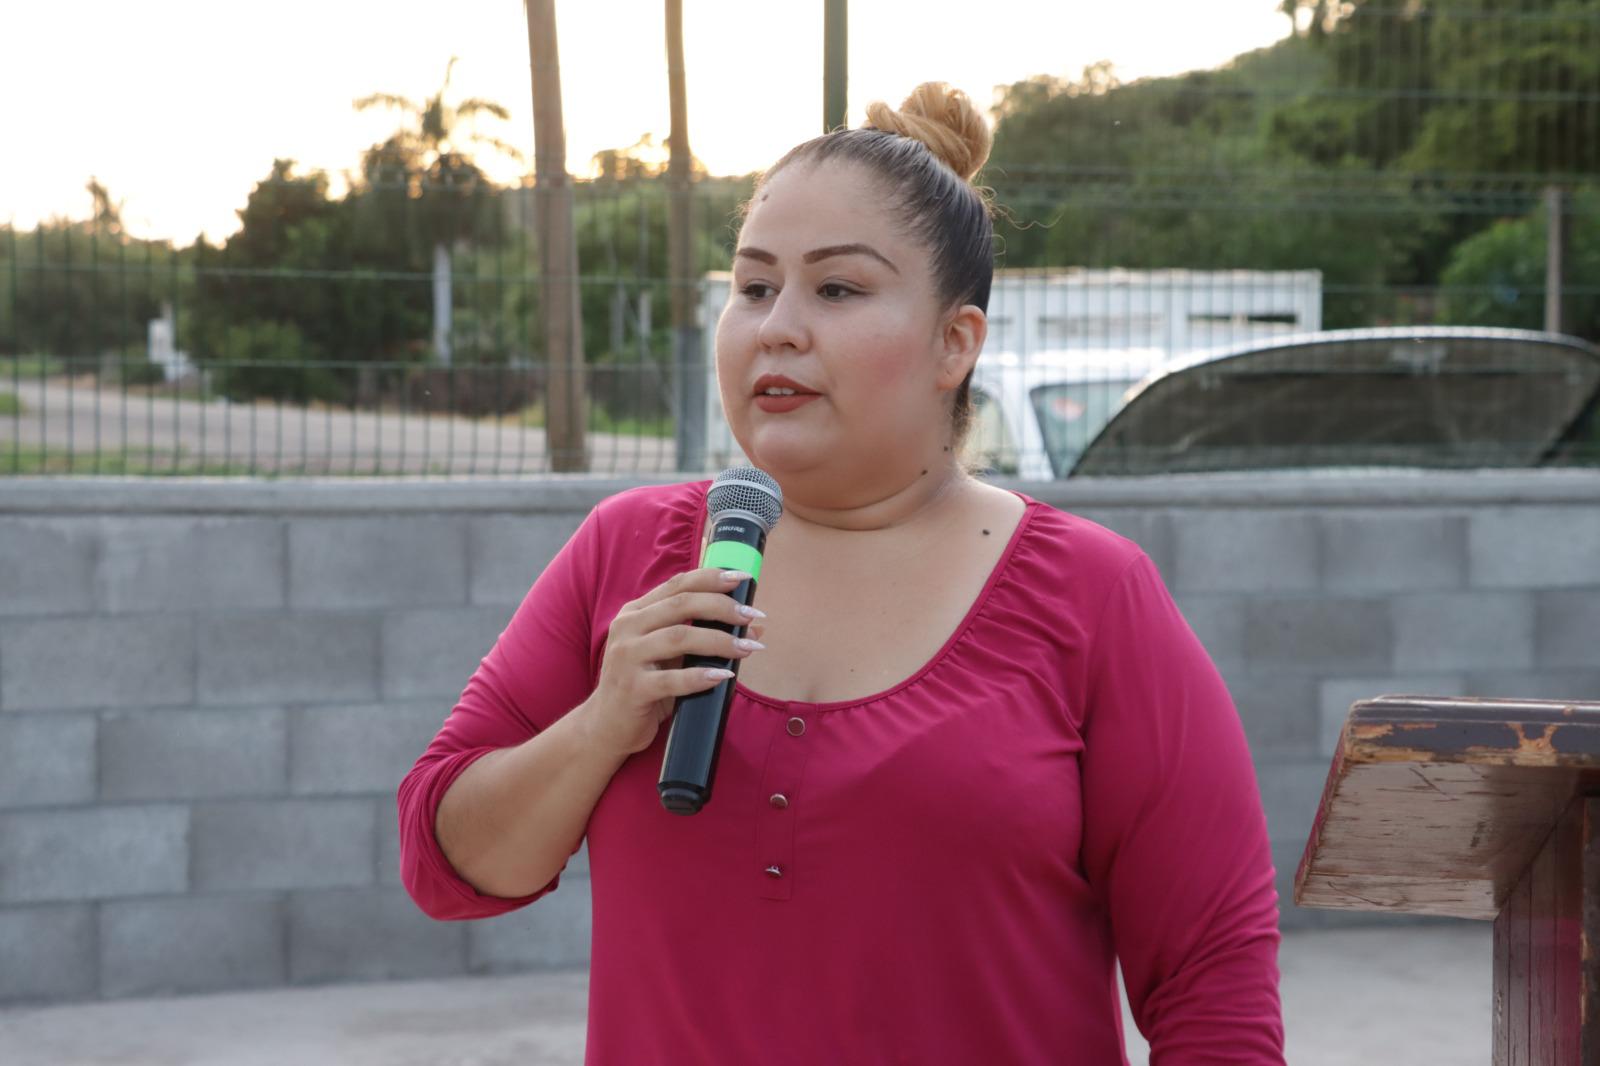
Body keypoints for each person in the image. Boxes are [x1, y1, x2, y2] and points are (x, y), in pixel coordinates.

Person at [398, 82, 1285, 1063]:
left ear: (955, 342)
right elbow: (447, 864)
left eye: (837, 289)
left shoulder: (1092, 597)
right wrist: (605, 721)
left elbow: (1213, 985)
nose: (776, 326)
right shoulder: (629, 552)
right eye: (752, 286)